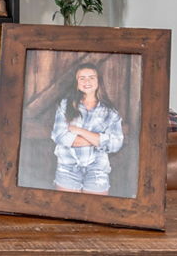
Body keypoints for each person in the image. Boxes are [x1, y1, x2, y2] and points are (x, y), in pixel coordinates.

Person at [50, 62, 124, 194]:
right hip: (67, 167)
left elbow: (116, 144)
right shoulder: (65, 105)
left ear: (98, 81)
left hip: (97, 169)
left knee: (95, 211)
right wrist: (99, 140)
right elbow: (59, 136)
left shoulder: (110, 112)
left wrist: (79, 131)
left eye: (91, 77)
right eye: (82, 78)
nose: (87, 81)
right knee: (65, 210)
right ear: (76, 83)